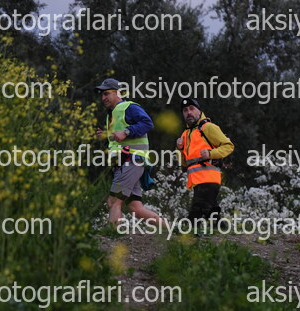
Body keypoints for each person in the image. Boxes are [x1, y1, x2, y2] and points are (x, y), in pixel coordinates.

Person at [95, 78, 165, 227]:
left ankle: (113, 235)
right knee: (135, 208)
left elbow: (147, 123)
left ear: (117, 93)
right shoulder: (112, 114)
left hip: (131, 161)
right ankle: (171, 231)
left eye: (106, 93)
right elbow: (118, 138)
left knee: (113, 201)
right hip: (125, 163)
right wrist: (107, 135)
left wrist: (126, 132)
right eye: (102, 94)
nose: (103, 98)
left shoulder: (129, 107)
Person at [176, 98, 234, 222]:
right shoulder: (185, 134)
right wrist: (180, 149)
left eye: (192, 109)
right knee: (210, 211)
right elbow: (184, 162)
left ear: (199, 111)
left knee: (196, 210)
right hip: (196, 180)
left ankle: (189, 230)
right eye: (185, 110)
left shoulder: (208, 128)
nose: (189, 112)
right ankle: (219, 228)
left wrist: (210, 154)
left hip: (209, 177)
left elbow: (228, 146)